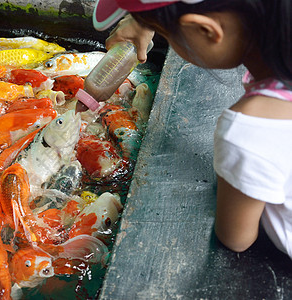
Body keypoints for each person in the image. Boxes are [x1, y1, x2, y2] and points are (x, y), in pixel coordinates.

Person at [77, 0, 292, 258]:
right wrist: (147, 21)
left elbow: (237, 238)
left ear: (206, 31)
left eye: (169, 37)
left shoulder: (248, 130)